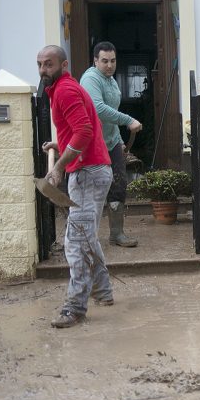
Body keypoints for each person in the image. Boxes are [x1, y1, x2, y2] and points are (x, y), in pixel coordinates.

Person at [37, 45, 114, 328]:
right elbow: (78, 130)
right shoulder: (63, 89)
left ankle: (75, 308)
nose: (44, 70)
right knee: (86, 236)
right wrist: (60, 144)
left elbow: (85, 131)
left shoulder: (66, 90)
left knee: (76, 242)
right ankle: (103, 293)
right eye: (40, 64)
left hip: (88, 173)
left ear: (63, 65)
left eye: (49, 64)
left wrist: (57, 167)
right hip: (94, 170)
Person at [80, 41, 143, 248]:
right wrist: (128, 120)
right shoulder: (90, 79)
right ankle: (86, 236)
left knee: (118, 184)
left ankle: (116, 233)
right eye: (104, 61)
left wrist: (120, 141)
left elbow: (110, 116)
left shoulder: (110, 80)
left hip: (112, 141)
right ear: (95, 61)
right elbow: (98, 109)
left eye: (113, 61)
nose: (109, 65)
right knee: (94, 188)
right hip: (92, 142)